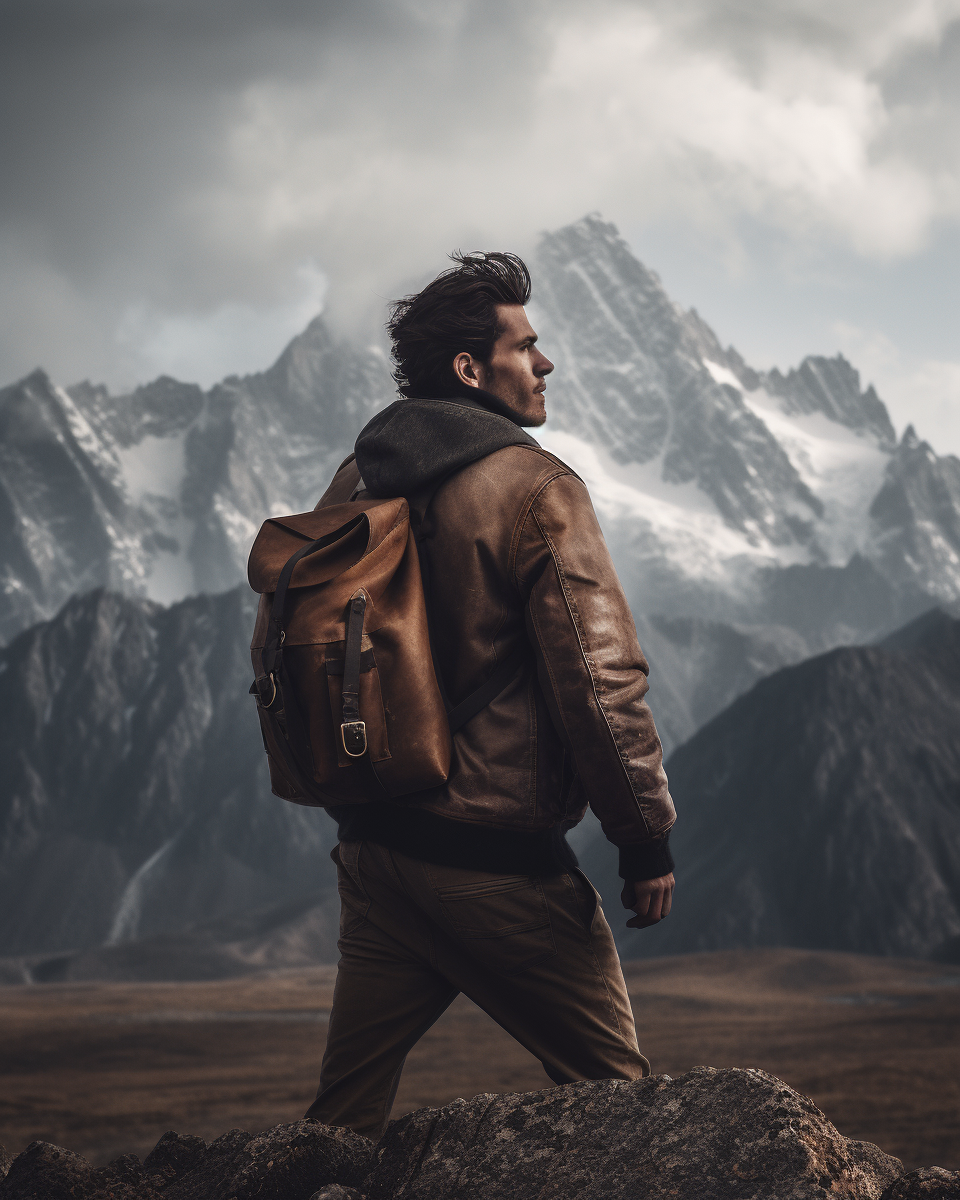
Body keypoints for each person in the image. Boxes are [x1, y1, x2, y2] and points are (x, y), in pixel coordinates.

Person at [304, 251, 675, 1140]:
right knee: (627, 1114)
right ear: (472, 370)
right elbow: (600, 682)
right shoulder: (536, 488)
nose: (545, 364)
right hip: (497, 866)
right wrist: (645, 838)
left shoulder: (355, 481)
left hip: (377, 856)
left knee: (337, 1128)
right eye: (528, 347)